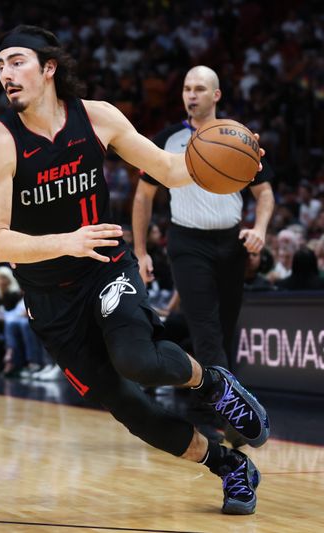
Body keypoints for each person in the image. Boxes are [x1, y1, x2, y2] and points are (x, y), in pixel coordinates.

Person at [0, 25, 269, 515]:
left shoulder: (98, 117)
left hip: (107, 269)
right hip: (51, 300)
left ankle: (213, 385)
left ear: (49, 68)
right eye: (1, 64)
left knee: (138, 359)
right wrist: (64, 241)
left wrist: (230, 159)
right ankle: (229, 466)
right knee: (135, 413)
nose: (6, 72)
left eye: (17, 61)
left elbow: (170, 170)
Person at [132, 65, 275, 370]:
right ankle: (226, 409)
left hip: (231, 242)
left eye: (199, 89)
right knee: (205, 328)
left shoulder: (239, 137)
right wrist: (141, 252)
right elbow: (144, 195)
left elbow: (264, 193)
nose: (191, 95)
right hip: (187, 242)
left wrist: (260, 229)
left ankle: (209, 404)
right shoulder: (167, 139)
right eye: (187, 89)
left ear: (216, 95)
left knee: (225, 328)